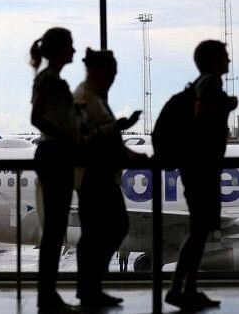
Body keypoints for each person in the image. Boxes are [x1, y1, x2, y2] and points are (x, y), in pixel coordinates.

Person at [164, 40, 237, 311]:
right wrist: (226, 106)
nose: (229, 61)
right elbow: (202, 119)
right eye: (225, 56)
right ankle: (182, 289)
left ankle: (185, 288)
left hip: (196, 170)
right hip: (202, 171)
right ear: (212, 61)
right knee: (197, 234)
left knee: (198, 233)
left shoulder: (199, 85)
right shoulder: (210, 85)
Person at [73, 48, 143, 307]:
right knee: (107, 230)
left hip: (102, 175)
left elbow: (108, 139)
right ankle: (90, 289)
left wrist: (131, 155)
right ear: (98, 71)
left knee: (102, 232)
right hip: (94, 176)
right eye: (111, 72)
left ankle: (91, 288)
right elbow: (86, 138)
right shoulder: (85, 98)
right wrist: (118, 127)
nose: (113, 78)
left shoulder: (96, 97)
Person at [29, 27, 79, 312]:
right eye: (70, 45)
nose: (74, 50)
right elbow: (37, 117)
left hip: (54, 155)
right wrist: (65, 137)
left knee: (55, 231)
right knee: (54, 232)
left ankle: (47, 295)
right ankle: (47, 296)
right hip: (55, 156)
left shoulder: (48, 78)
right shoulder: (50, 80)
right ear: (60, 50)